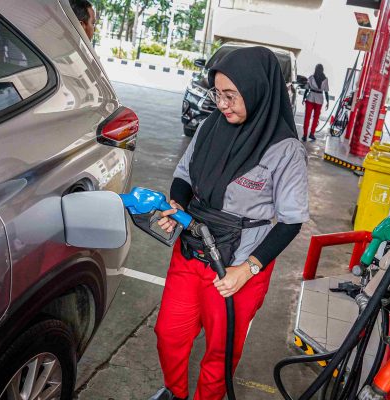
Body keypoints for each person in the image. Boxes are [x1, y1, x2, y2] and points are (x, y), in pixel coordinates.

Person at [149, 47, 310, 400]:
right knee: (169, 333)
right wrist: (177, 205)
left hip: (237, 267)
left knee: (221, 353)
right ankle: (175, 392)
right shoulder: (210, 127)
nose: (222, 104)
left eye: (231, 96)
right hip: (192, 250)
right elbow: (183, 175)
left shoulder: (285, 150)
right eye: (217, 94)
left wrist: (247, 270)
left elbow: (291, 221)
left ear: (256, 91)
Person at [302, 64, 330, 142]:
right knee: (316, 118)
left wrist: (304, 97)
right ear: (322, 70)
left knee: (307, 117)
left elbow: (307, 89)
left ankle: (305, 135)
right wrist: (328, 101)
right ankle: (311, 134)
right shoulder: (325, 79)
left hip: (310, 98)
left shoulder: (311, 77)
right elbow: (326, 92)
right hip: (319, 99)